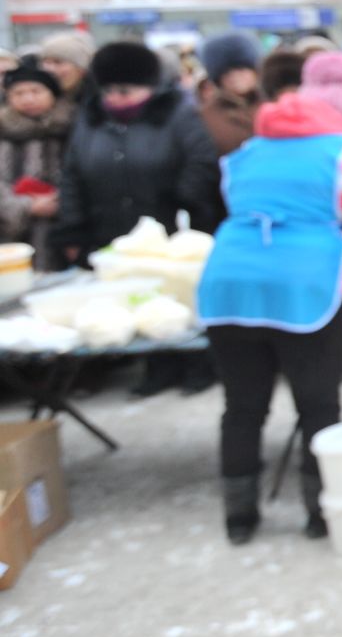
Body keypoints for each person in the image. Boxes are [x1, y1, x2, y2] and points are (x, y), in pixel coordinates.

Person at [198, 51, 342, 545]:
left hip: (228, 284)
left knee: (242, 405)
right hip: (305, 288)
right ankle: (319, 511)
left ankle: (240, 516)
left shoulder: (248, 151)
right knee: (317, 404)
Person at [53, 41, 223, 395]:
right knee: (135, 298)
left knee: (179, 297)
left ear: (149, 87)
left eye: (126, 91)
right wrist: (73, 227)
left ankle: (197, 366)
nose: (116, 98)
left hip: (170, 225)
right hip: (112, 227)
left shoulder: (176, 113)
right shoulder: (91, 118)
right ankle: (157, 368)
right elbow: (72, 175)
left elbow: (201, 159)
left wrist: (185, 198)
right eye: (109, 91)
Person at [0, 64, 72, 269]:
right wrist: (25, 207)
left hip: (63, 232)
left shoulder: (72, 128)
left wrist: (60, 202)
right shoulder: (3, 131)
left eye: (36, 91)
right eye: (18, 93)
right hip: (10, 237)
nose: (28, 99)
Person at [196, 31, 263, 157]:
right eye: (226, 73)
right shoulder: (204, 116)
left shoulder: (273, 106)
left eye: (241, 69)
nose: (235, 77)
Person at [33, 31, 95, 102]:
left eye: (58, 62)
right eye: (46, 62)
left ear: (81, 69)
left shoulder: (96, 102)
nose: (49, 69)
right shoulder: (37, 104)